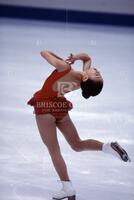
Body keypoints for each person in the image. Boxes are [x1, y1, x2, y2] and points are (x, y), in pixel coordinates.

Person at [27, 51, 131, 200]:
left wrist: (64, 61)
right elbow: (87, 58)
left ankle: (67, 188)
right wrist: (76, 58)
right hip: (59, 108)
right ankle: (107, 147)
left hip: (45, 108)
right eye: (99, 73)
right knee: (77, 144)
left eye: (97, 74)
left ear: (87, 77)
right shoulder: (81, 81)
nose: (98, 71)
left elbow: (43, 52)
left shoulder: (65, 68)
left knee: (54, 151)